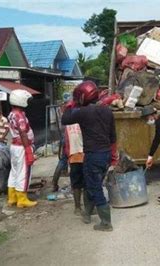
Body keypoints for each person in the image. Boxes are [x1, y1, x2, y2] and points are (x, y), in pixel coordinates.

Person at [62, 81, 118, 232]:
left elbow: (65, 119)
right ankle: (87, 214)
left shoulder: (83, 112)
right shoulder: (107, 111)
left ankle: (106, 222)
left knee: (94, 187)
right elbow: (113, 137)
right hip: (105, 154)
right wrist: (113, 156)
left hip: (93, 155)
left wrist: (71, 103)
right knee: (94, 184)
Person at [7, 89, 37, 208]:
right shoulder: (19, 116)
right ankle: (22, 199)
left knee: (14, 172)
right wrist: (28, 150)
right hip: (21, 147)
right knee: (24, 173)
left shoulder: (12, 113)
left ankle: (12, 197)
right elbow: (23, 133)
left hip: (14, 146)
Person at [64, 123, 85, 215]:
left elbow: (66, 143)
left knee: (76, 183)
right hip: (85, 156)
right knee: (87, 182)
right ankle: (89, 207)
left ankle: (77, 208)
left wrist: (68, 156)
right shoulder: (86, 121)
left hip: (73, 157)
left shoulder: (68, 125)